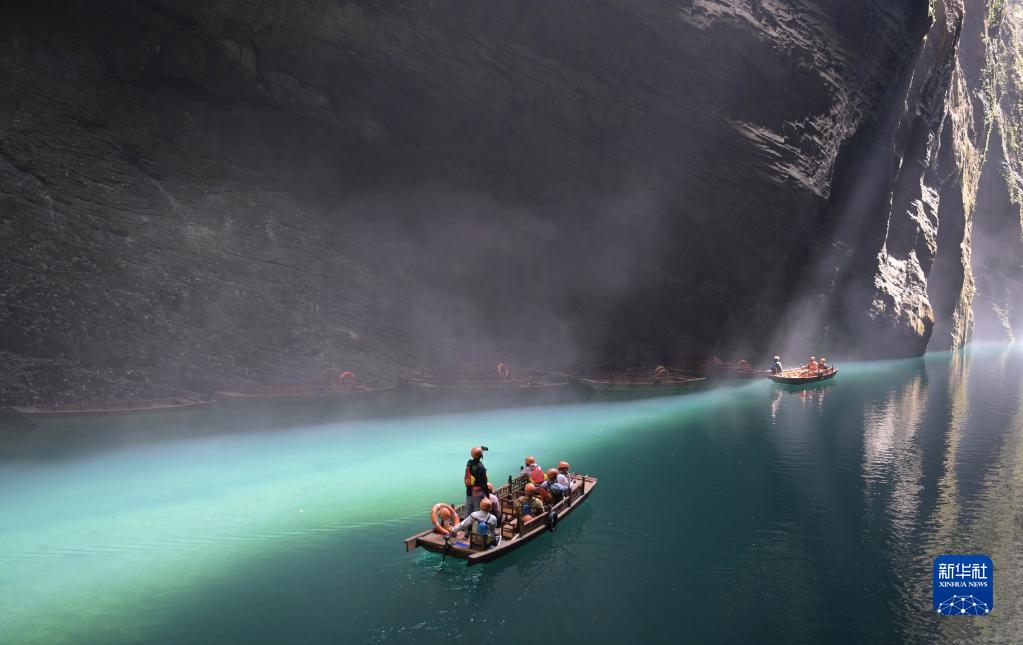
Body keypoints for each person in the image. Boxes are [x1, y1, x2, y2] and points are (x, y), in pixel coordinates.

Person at [464, 447, 488, 519]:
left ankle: (467, 529)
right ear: (481, 456)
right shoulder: (481, 467)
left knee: (468, 511)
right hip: (478, 493)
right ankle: (476, 529)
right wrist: (487, 496)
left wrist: (480, 450)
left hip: (469, 490)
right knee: (478, 513)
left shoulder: (469, 463)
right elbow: (483, 484)